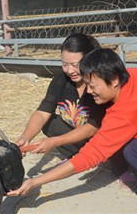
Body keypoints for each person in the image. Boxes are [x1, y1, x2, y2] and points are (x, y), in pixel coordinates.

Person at [8, 48, 137, 214]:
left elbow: (90, 156)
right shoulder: (133, 77)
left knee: (136, 150)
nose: (89, 91)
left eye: (92, 86)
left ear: (114, 80)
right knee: (135, 147)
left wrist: (35, 181)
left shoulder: (127, 110)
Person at [15, 33, 130, 181]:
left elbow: (93, 127)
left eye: (75, 65)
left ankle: (105, 160)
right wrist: (26, 138)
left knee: (118, 164)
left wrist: (55, 142)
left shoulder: (99, 85)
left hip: (102, 136)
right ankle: (79, 157)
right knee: (50, 123)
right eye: (65, 64)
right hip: (79, 135)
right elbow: (43, 113)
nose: (70, 70)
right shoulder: (60, 81)